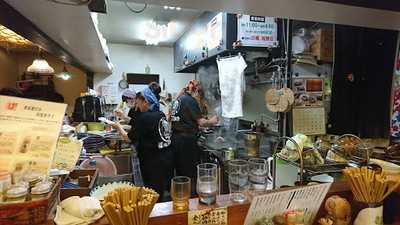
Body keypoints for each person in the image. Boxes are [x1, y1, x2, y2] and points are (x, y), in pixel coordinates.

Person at [113, 92, 173, 201]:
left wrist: (118, 127)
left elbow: (128, 138)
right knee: (159, 189)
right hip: (164, 157)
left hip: (151, 160)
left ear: (145, 102)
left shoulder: (145, 117)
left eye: (138, 103)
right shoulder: (160, 114)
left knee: (152, 192)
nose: (137, 106)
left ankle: (154, 213)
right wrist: (124, 117)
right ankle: (160, 209)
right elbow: (139, 124)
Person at [171, 80, 219, 194]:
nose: (201, 101)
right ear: (197, 91)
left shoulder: (179, 99)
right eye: (201, 97)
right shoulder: (190, 100)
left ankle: (180, 195)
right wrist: (212, 121)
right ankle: (191, 199)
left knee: (181, 172)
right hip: (186, 142)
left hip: (177, 139)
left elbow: (184, 120)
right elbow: (201, 122)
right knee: (190, 173)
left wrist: (195, 127)